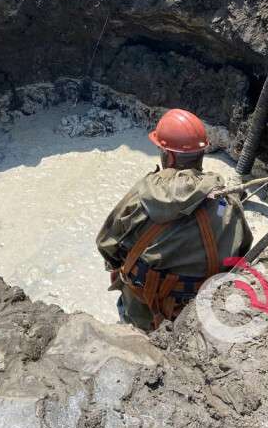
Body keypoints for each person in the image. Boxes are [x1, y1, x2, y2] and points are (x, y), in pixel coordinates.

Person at [95, 108, 253, 331]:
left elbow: (106, 243)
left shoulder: (141, 196)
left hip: (143, 306)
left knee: (132, 323)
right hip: (196, 315)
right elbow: (242, 251)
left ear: (167, 155)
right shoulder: (227, 204)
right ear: (203, 152)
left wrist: (118, 267)